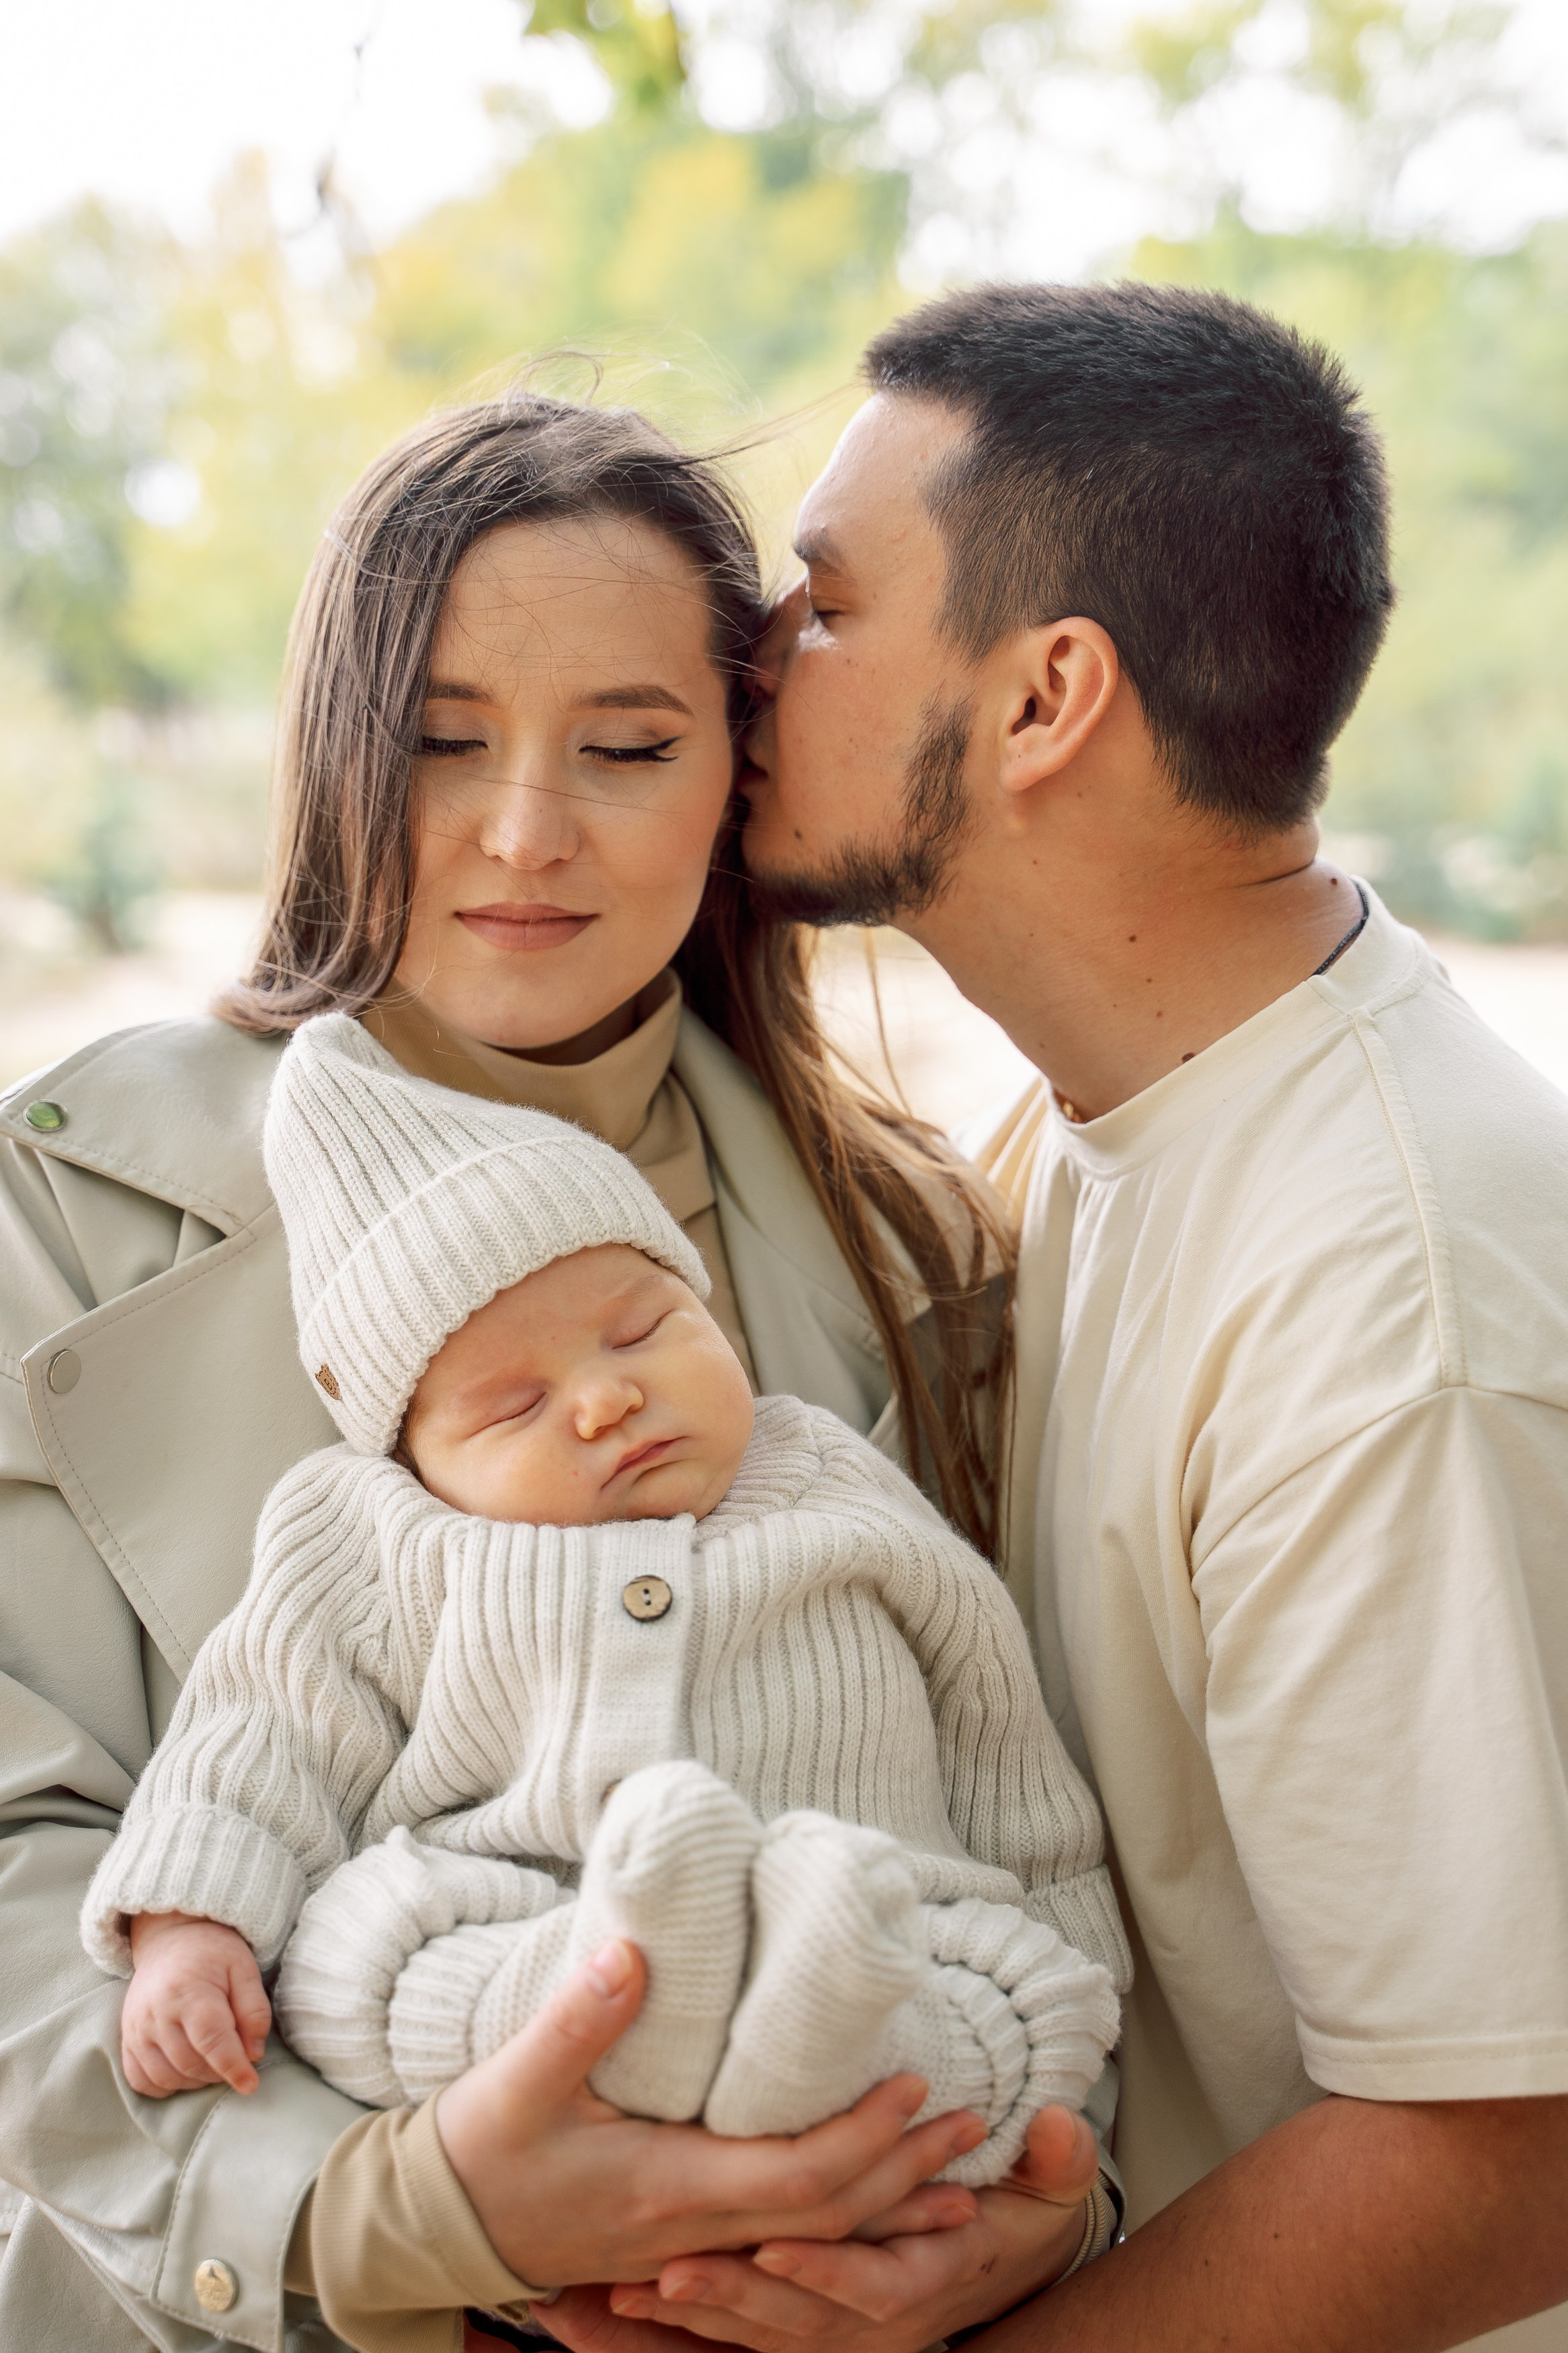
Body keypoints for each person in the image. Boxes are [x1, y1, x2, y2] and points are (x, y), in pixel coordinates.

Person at [0, 391, 1108, 2353]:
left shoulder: (921, 1244)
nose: (523, 831)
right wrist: (367, 2211)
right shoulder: (55, 1206)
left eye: (624, 746)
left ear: (736, 777)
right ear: (334, 760)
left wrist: (1039, 2194)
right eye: (438, 743)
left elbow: (1032, 1814)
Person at [646, 280, 1567, 2353]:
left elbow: (1504, 2144)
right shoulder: (1120, 1110)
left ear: (1048, 694)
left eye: (823, 602)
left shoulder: (1383, 1294)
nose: (751, 659)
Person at [85, 1018, 1124, 2216]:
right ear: (413, 1459)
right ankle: (657, 1998)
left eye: (642, 1330)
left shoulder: (830, 1479)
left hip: (871, 1918)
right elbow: (257, 1733)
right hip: (523, 1918)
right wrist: (187, 1929)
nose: (606, 1397)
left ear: (711, 1315)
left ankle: (817, 2025)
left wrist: (1064, 1953)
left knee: (991, 1999)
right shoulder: (369, 1535)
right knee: (368, 1955)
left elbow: (1003, 1746)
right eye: (511, 1406)